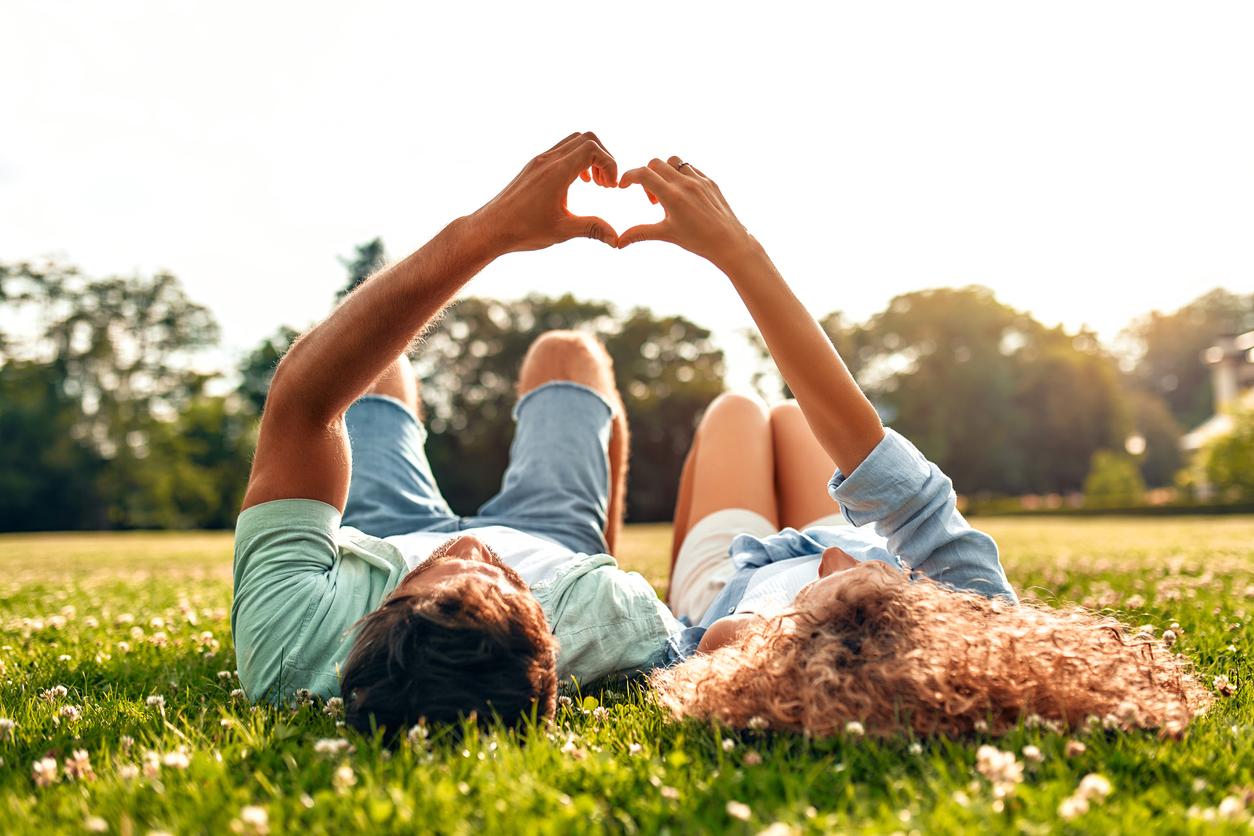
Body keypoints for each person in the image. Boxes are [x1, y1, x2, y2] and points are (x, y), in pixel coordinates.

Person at [609, 155, 1210, 737]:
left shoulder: (737, 647)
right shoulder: (977, 615)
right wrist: (738, 251)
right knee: (793, 417)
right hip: (834, 524)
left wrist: (737, 254)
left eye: (823, 601)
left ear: (785, 651)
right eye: (879, 584)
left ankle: (678, 582)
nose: (834, 560)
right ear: (933, 622)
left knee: (734, 412)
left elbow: (721, 642)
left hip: (731, 581)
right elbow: (875, 458)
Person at [230, 133, 683, 738]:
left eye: (439, 575)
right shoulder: (605, 620)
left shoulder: (290, 643)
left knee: (374, 369)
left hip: (381, 534)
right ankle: (527, 571)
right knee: (568, 354)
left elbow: (303, 404)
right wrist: (595, 560)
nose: (471, 551)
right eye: (495, 576)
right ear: (549, 646)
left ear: (373, 619)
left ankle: (447, 583)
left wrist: (490, 231)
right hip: (551, 545)